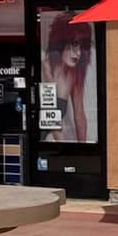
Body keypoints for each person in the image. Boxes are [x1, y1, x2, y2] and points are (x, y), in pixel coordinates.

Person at [42, 14, 93, 142]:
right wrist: (66, 149)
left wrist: (83, 148)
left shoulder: (74, 73)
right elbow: (50, 117)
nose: (79, 53)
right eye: (75, 44)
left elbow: (79, 116)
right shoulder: (46, 67)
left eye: (82, 46)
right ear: (60, 42)